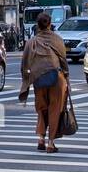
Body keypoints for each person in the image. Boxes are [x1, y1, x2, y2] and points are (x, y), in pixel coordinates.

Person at [18, 11, 71, 153]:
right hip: (56, 79)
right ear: (50, 24)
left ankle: (40, 138)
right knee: (55, 109)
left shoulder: (31, 42)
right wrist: (67, 79)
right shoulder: (57, 40)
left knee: (41, 109)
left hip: (38, 79)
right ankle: (51, 143)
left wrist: (26, 81)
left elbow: (24, 65)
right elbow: (64, 62)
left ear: (37, 25)